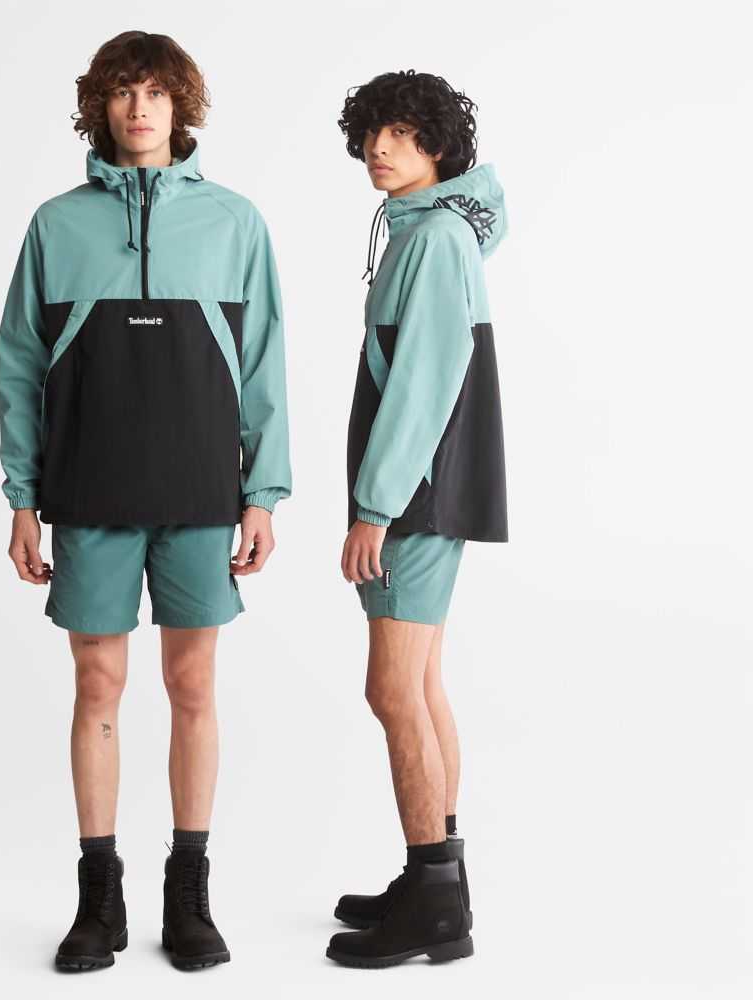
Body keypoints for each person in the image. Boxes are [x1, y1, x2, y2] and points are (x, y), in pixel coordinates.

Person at [0, 30, 291, 973]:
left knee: (193, 685)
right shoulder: (56, 225)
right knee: (98, 685)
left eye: (156, 91)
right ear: (101, 106)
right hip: (89, 487)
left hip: (202, 491)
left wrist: (264, 492)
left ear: (180, 105)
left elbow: (265, 363)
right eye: (124, 91)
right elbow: (20, 365)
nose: (139, 108)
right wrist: (22, 497)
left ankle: (189, 891)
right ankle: (99, 897)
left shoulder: (235, 222)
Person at [327, 70, 508, 969]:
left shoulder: (434, 239)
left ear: (438, 143)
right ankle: (437, 879)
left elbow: (424, 386)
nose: (379, 148)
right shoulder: (426, 231)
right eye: (371, 133)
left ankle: (435, 899)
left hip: (417, 496)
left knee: (392, 691)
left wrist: (375, 508)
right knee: (423, 684)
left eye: (400, 133)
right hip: (433, 492)